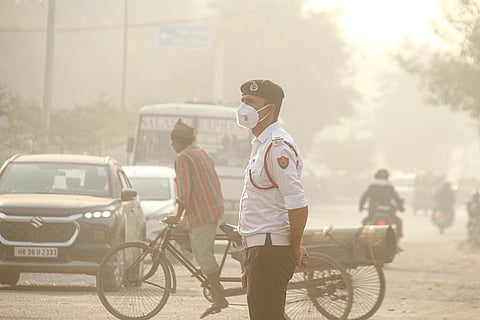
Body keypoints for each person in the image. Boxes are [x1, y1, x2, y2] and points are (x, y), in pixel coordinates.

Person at [236, 79, 309, 320]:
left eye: (251, 102)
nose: (244, 108)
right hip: (260, 247)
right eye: (243, 101)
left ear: (270, 109)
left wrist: (295, 246)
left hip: (271, 249)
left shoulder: (277, 146)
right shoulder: (260, 143)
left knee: (266, 316)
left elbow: (297, 203)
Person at [164, 118, 228, 318]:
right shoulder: (200, 152)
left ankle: (218, 295)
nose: (172, 145)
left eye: (172, 141)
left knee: (203, 253)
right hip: (211, 208)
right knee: (180, 233)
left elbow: (185, 192)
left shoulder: (183, 158)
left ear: (177, 140)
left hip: (202, 213)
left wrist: (176, 216)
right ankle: (208, 272)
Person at [359, 169, 405, 240]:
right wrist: (401, 208)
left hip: (373, 212)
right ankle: (397, 239)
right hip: (389, 213)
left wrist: (361, 207)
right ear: (387, 177)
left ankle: (364, 239)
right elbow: (397, 199)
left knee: (364, 222)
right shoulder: (390, 188)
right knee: (399, 222)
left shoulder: (372, 187)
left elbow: (364, 198)